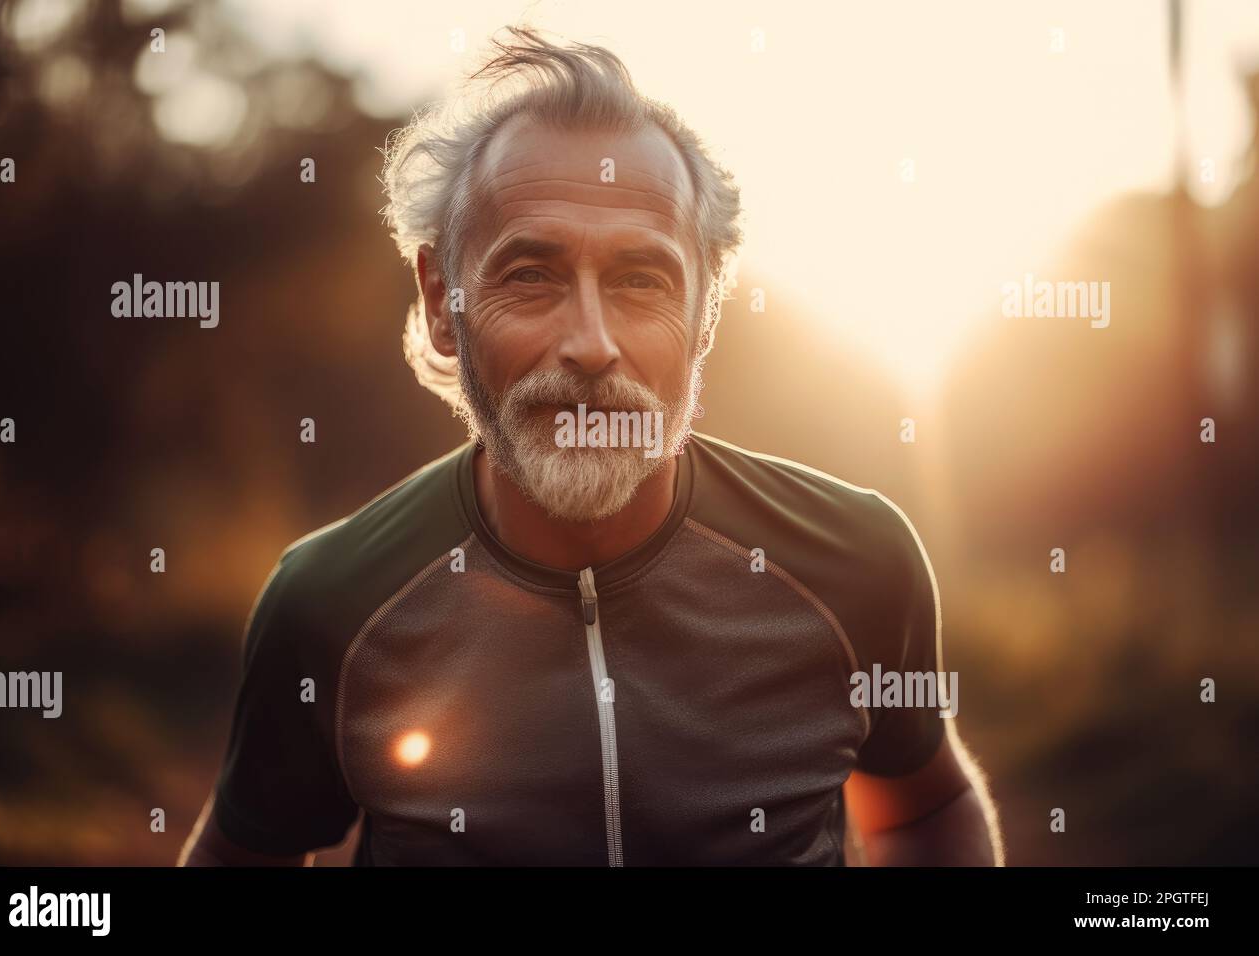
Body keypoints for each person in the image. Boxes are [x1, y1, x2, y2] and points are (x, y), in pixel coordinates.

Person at [179, 26, 1002, 867]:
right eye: (528, 274)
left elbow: (924, 805)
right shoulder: (329, 600)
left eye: (641, 279)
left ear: (705, 310)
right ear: (439, 301)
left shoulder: (857, 558)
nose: (591, 344)